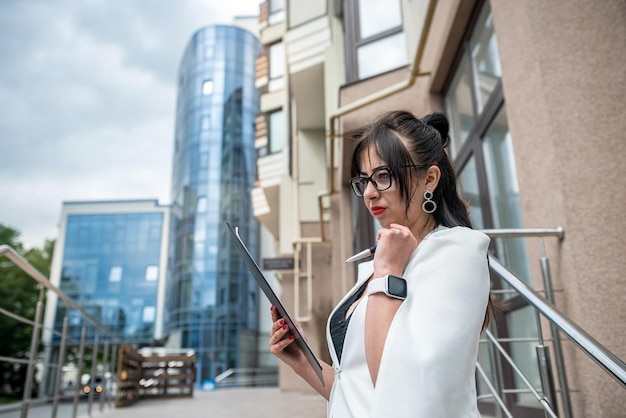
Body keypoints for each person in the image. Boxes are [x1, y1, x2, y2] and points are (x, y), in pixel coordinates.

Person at [269, 110, 492, 417]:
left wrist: (387, 272)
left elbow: (408, 395)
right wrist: (305, 364)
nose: (370, 192)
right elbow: (362, 393)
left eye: (384, 176)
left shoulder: (457, 252)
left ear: (429, 178)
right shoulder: (385, 261)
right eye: (363, 180)